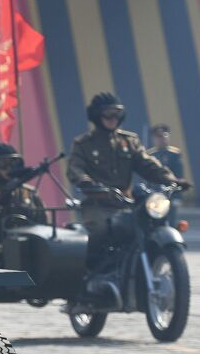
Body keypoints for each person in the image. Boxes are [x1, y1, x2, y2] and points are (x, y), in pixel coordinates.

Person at [67, 92, 185, 272]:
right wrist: (86, 182)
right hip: (97, 205)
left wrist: (172, 180)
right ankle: (91, 279)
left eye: (117, 114)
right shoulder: (84, 143)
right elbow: (74, 168)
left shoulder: (129, 141)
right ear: (97, 115)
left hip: (126, 205)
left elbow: (148, 165)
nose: (113, 118)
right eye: (108, 114)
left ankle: (145, 271)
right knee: (98, 233)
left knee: (149, 229)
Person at [0, 142, 47, 261]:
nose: (9, 168)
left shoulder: (30, 192)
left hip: (32, 241)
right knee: (16, 249)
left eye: (13, 163)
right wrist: (0, 202)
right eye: (3, 164)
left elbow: (43, 222)